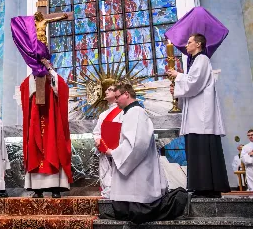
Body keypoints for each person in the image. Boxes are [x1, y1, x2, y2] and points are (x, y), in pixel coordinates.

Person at [105, 83, 187, 224]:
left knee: (139, 209)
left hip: (138, 169)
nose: (116, 100)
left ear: (127, 94)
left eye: (118, 96)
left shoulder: (135, 112)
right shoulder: (131, 112)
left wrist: (114, 153)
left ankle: (178, 201)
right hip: (135, 167)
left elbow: (137, 144)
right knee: (131, 207)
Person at [168, 33, 230, 198]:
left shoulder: (202, 59)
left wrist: (178, 76)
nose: (186, 45)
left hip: (202, 117)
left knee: (203, 149)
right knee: (197, 150)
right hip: (195, 115)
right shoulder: (195, 62)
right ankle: (201, 187)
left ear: (198, 44)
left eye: (189, 42)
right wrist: (178, 93)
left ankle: (208, 188)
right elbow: (191, 87)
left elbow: (194, 83)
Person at [20, 58, 72, 198]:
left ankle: (56, 187)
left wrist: (49, 70)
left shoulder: (53, 77)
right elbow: (24, 91)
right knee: (35, 151)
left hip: (52, 121)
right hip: (35, 121)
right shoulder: (30, 80)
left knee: (53, 148)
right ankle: (37, 189)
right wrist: (36, 76)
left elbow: (62, 89)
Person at [93, 85, 123, 198]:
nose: (106, 91)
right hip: (105, 150)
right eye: (106, 89)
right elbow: (97, 132)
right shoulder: (103, 114)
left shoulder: (122, 112)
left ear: (117, 94)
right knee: (106, 176)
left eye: (110, 90)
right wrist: (97, 140)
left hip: (118, 151)